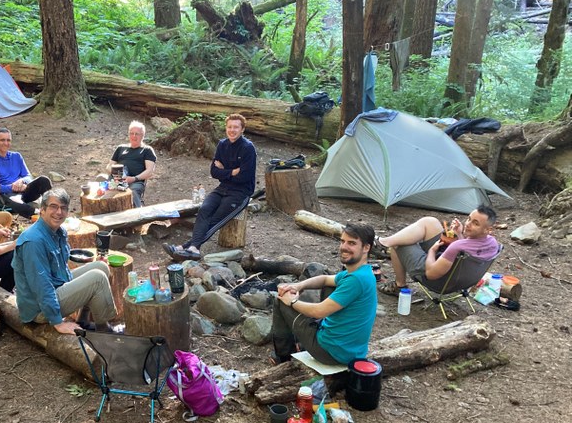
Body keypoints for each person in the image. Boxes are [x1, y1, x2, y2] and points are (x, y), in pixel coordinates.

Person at [12, 188, 117, 335]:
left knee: (101, 266)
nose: (59, 212)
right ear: (42, 210)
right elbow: (41, 286)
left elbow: (61, 269)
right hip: (39, 308)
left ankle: (83, 320)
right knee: (97, 278)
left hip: (56, 286)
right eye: (53, 207)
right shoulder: (34, 241)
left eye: (63, 208)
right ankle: (104, 331)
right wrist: (58, 322)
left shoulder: (58, 232)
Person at [272, 223, 377, 367]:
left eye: (351, 243)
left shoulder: (355, 280)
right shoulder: (362, 272)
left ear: (366, 247)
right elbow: (325, 279)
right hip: (351, 350)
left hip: (332, 353)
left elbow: (319, 310)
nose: (344, 247)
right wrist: (298, 285)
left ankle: (283, 358)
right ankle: (301, 342)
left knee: (280, 300)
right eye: (342, 241)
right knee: (328, 285)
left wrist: (292, 302)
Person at [163, 113, 256, 261]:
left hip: (240, 192)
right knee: (204, 209)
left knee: (216, 218)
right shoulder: (222, 145)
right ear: (226, 128)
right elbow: (214, 172)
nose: (232, 130)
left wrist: (223, 170)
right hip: (223, 187)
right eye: (229, 127)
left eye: (236, 127)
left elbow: (244, 176)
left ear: (242, 129)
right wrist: (232, 171)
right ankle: (192, 248)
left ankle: (189, 247)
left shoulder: (248, 148)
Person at [375, 205, 500, 296]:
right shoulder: (494, 244)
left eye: (475, 223)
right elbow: (464, 252)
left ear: (488, 229)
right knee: (430, 222)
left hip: (439, 281)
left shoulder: (457, 247)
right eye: (469, 219)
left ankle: (399, 285)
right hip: (458, 280)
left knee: (399, 243)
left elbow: (431, 274)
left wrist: (432, 252)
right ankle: (385, 242)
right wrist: (459, 234)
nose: (468, 224)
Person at [0, 127, 52, 219]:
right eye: (2, 140)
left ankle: (51, 207)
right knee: (14, 201)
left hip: (23, 191)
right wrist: (12, 187)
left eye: (8, 140)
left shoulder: (16, 156)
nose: (6, 143)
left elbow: (28, 176)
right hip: (4, 195)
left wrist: (22, 182)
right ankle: (37, 214)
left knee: (44, 180)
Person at [106, 120, 156, 207]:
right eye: (131, 133)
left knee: (132, 192)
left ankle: (138, 216)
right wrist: (116, 174)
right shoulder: (121, 148)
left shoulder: (147, 150)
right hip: (117, 179)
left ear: (143, 135)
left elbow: (150, 171)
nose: (134, 136)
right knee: (101, 183)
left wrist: (133, 178)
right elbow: (109, 166)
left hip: (136, 182)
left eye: (137, 134)